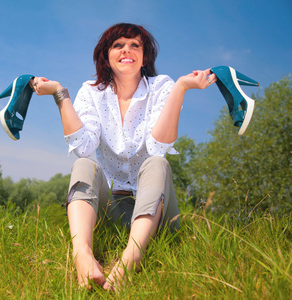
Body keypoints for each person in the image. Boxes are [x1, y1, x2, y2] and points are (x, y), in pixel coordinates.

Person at [31, 23, 216, 291]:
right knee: (84, 164)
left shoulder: (161, 86)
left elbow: (157, 147)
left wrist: (181, 87)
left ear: (145, 56)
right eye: (118, 45)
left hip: (155, 212)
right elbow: (83, 147)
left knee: (157, 163)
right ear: (106, 55)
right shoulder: (92, 92)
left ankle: (132, 258)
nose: (126, 49)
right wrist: (60, 94)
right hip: (111, 207)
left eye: (135, 45)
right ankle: (81, 253)